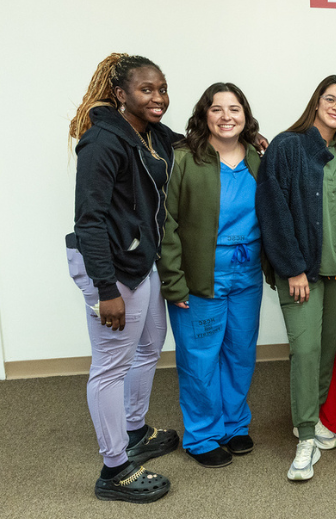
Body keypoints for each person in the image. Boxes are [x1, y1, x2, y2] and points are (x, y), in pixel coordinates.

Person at [66, 53, 180, 503]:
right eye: (146, 90)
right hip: (109, 269)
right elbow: (89, 220)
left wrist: (251, 136)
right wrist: (105, 290)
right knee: (110, 368)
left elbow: (187, 139)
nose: (158, 98)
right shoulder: (103, 141)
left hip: (138, 261)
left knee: (150, 344)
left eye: (162, 88)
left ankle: (135, 430)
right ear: (120, 94)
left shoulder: (146, 132)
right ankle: (114, 468)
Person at [256, 75, 336, 482]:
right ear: (317, 101)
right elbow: (273, 212)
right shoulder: (288, 146)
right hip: (302, 272)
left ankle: (308, 417)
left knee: (326, 350)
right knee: (305, 350)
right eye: (331, 98)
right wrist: (291, 268)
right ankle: (305, 435)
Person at [158, 83, 264, 468]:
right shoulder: (184, 158)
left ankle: (234, 424)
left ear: (245, 116)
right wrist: (172, 279)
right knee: (200, 357)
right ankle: (202, 434)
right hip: (200, 275)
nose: (226, 116)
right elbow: (165, 223)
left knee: (239, 353)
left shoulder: (257, 157)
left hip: (247, 274)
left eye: (234, 109)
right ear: (205, 115)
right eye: (216, 109)